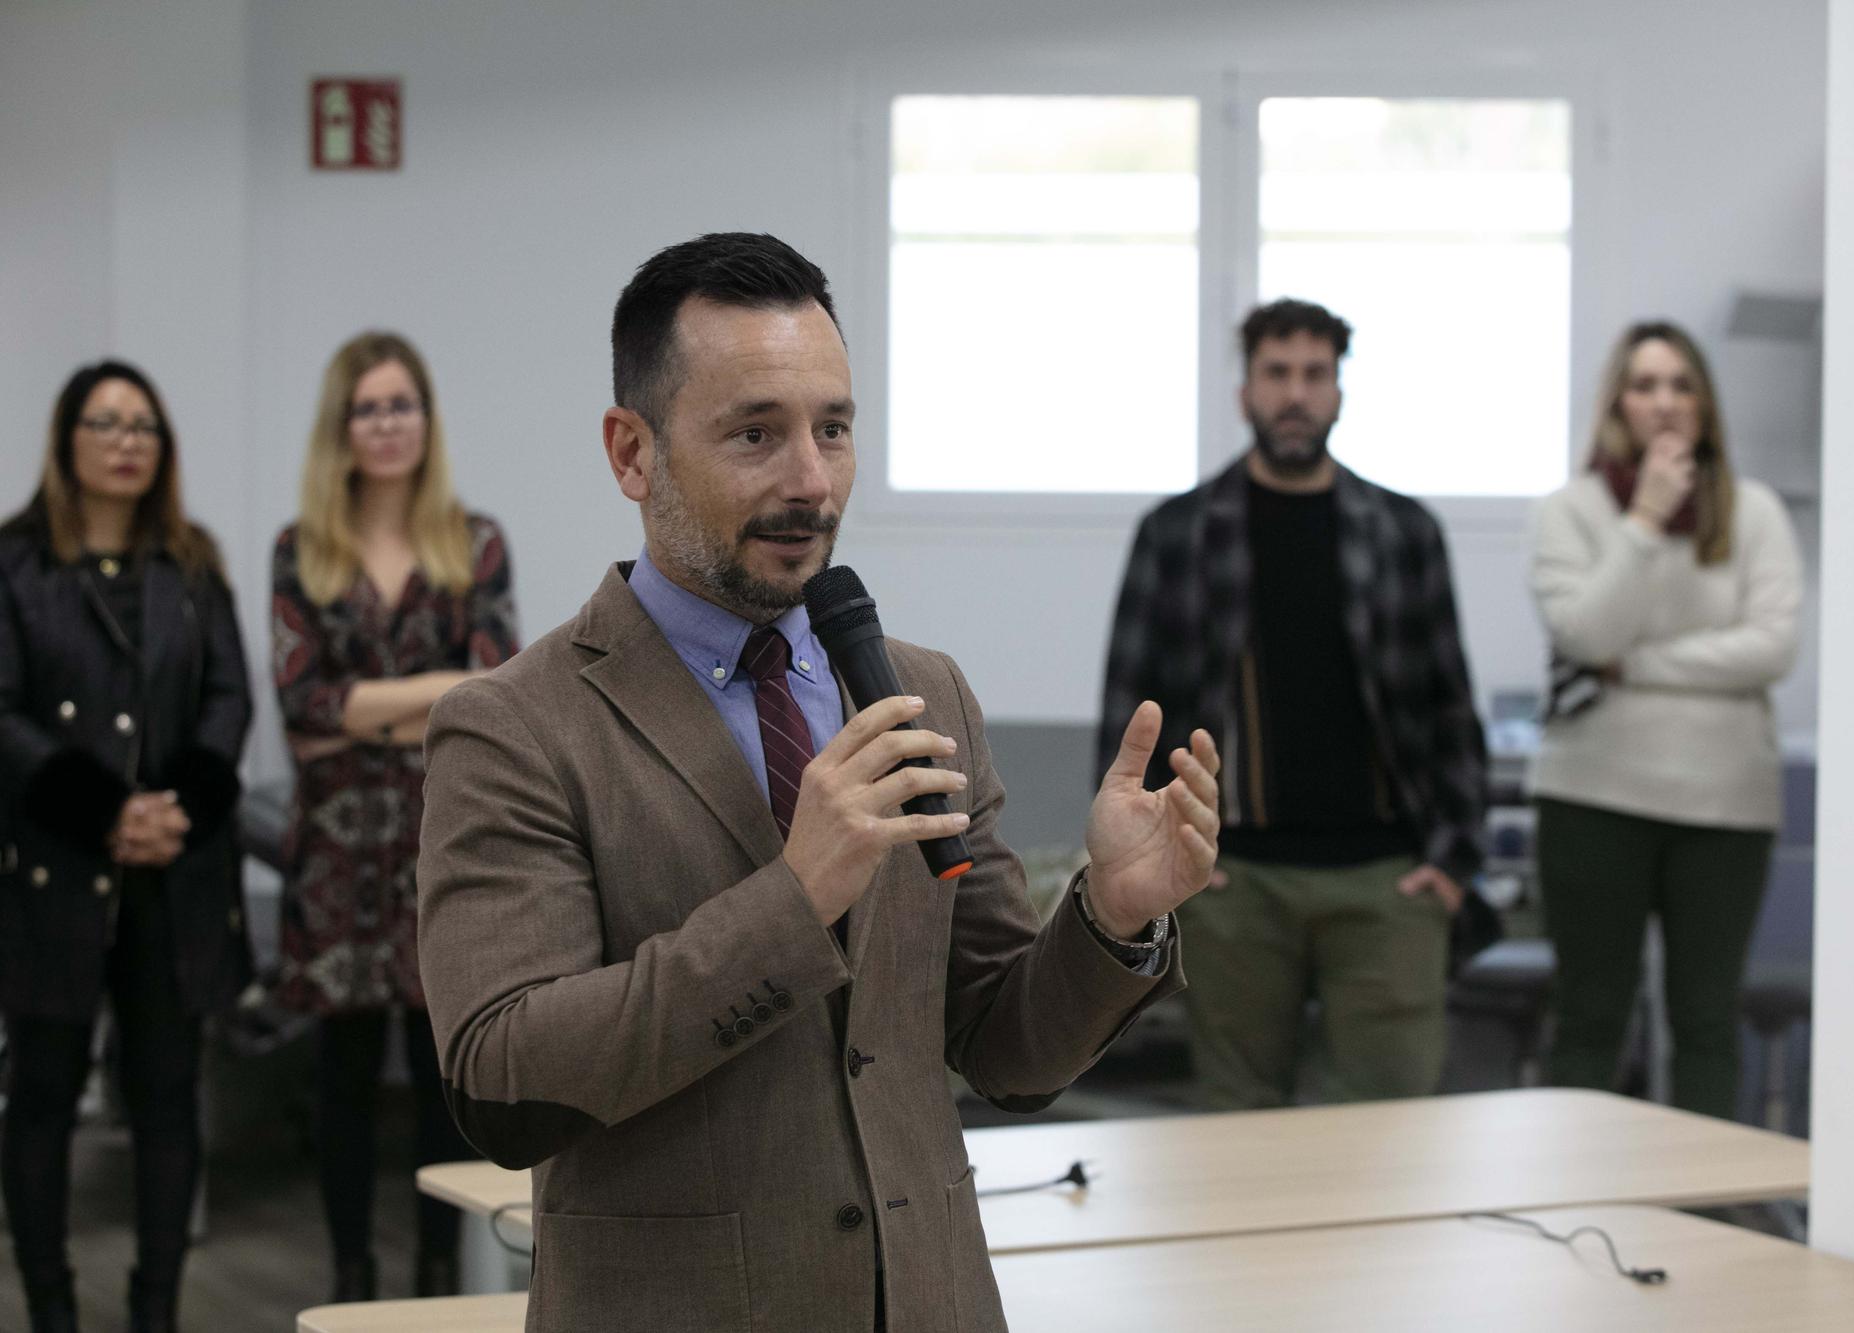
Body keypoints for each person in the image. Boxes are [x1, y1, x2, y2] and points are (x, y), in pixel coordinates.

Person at [415, 232, 1218, 1332]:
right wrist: (794, 898)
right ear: (631, 453)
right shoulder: (515, 727)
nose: (810, 480)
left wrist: (1110, 913)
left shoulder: (918, 689)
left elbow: (1004, 1050)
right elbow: (502, 1084)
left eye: (831, 429)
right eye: (756, 433)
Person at [1100, 297, 1487, 1110]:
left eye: (1315, 374)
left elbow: (1449, 703)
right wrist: (1166, 864)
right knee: (1238, 1133)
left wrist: (1453, 863)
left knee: (1394, 1133)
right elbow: (1130, 712)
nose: (1296, 394)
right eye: (1277, 373)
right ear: (1245, 391)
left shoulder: (1403, 531)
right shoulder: (1178, 533)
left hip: (1387, 878)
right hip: (1233, 880)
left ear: (1340, 392)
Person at [0, 362, 252, 1333]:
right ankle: (53, 1310)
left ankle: (157, 1311)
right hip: (54, 872)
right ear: (67, 441)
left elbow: (229, 697)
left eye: (143, 424)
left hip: (172, 874)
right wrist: (103, 809)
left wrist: (178, 804)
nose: (125, 440)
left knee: (165, 1097)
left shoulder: (191, 562)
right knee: (42, 1097)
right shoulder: (16, 563)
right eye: (105, 423)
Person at [271, 332, 518, 1302]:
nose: (385, 424)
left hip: (439, 841)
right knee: (337, 1082)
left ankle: (431, 1278)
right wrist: (430, 691)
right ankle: (349, 1271)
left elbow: (489, 693)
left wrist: (365, 707)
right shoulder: (300, 549)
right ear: (342, 427)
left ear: (426, 420)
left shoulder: (477, 541)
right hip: (333, 854)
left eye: (400, 405)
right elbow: (299, 711)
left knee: (435, 1074)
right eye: (366, 408)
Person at [1528, 320, 1801, 1119]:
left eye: (1682, 384)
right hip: (1593, 796)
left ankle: (1704, 1220)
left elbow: (1771, 647)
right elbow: (1586, 633)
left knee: (1707, 1022)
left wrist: (1637, 666)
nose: (1665, 402)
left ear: (1706, 402)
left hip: (1724, 804)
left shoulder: (1754, 512)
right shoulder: (1568, 513)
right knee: (1590, 1017)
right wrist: (1644, 521)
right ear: (1618, 399)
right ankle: (1578, 1202)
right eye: (1645, 384)